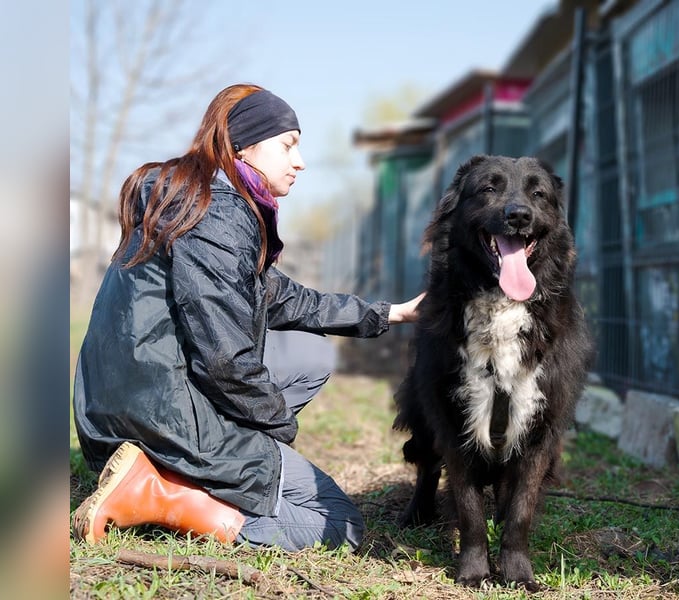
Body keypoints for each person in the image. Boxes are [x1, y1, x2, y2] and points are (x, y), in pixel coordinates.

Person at [71, 83, 424, 551]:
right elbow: (225, 360)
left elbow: (284, 299)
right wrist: (277, 426)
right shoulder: (216, 214)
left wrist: (391, 313)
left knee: (310, 354)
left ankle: (190, 470)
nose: (299, 162)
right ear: (245, 145)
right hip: (153, 418)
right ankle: (162, 492)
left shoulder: (200, 200)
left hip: (121, 409)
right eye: (288, 145)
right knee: (337, 524)